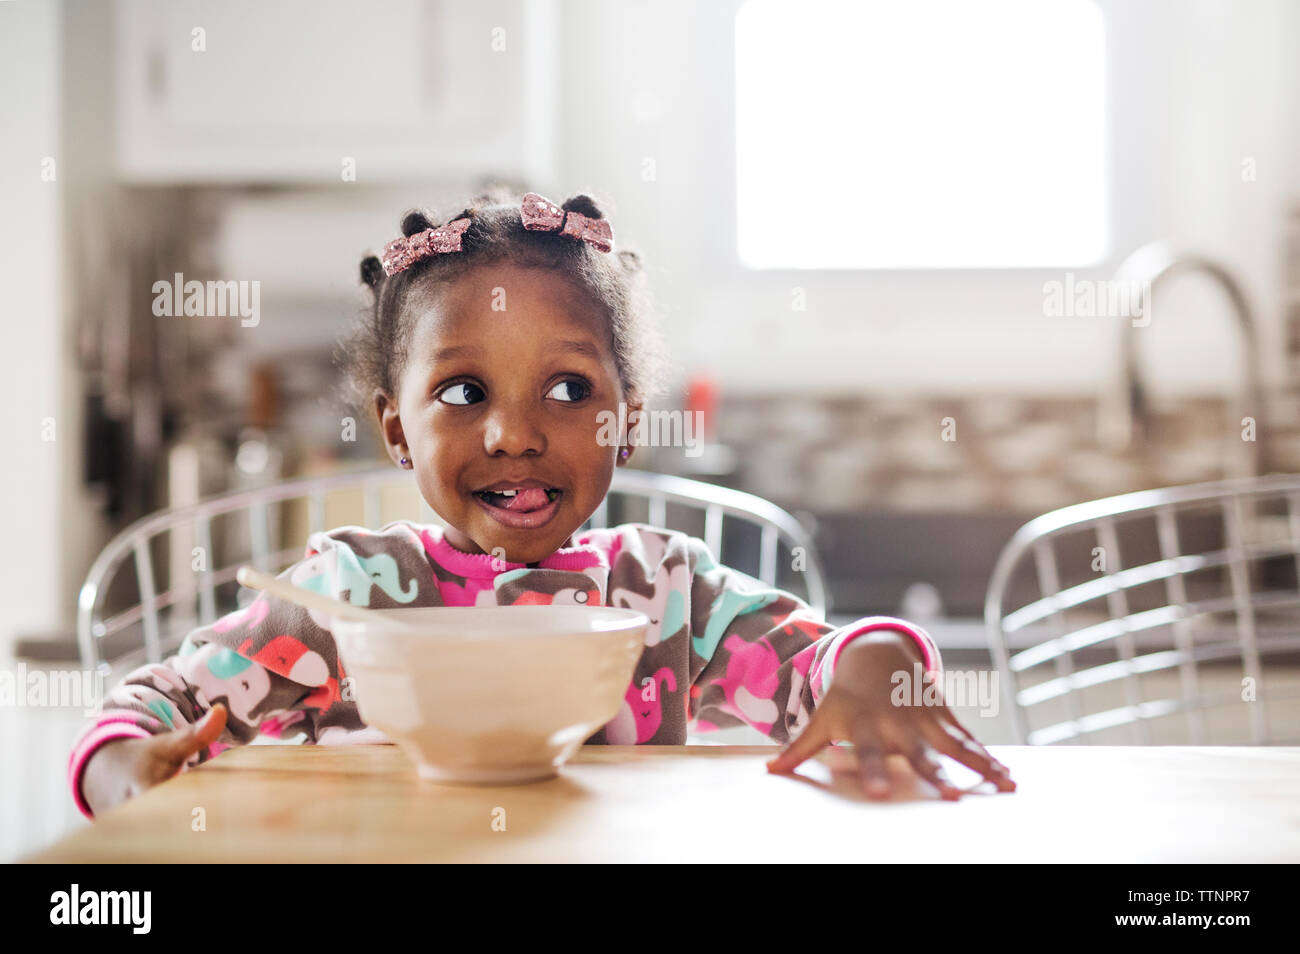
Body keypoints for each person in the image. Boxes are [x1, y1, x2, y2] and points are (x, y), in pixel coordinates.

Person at [69, 189, 1015, 819]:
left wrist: (879, 662)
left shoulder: (666, 594)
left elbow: (820, 669)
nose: (513, 435)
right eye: (463, 393)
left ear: (625, 424)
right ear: (396, 430)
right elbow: (157, 705)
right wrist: (123, 765)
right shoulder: (342, 596)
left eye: (567, 392)